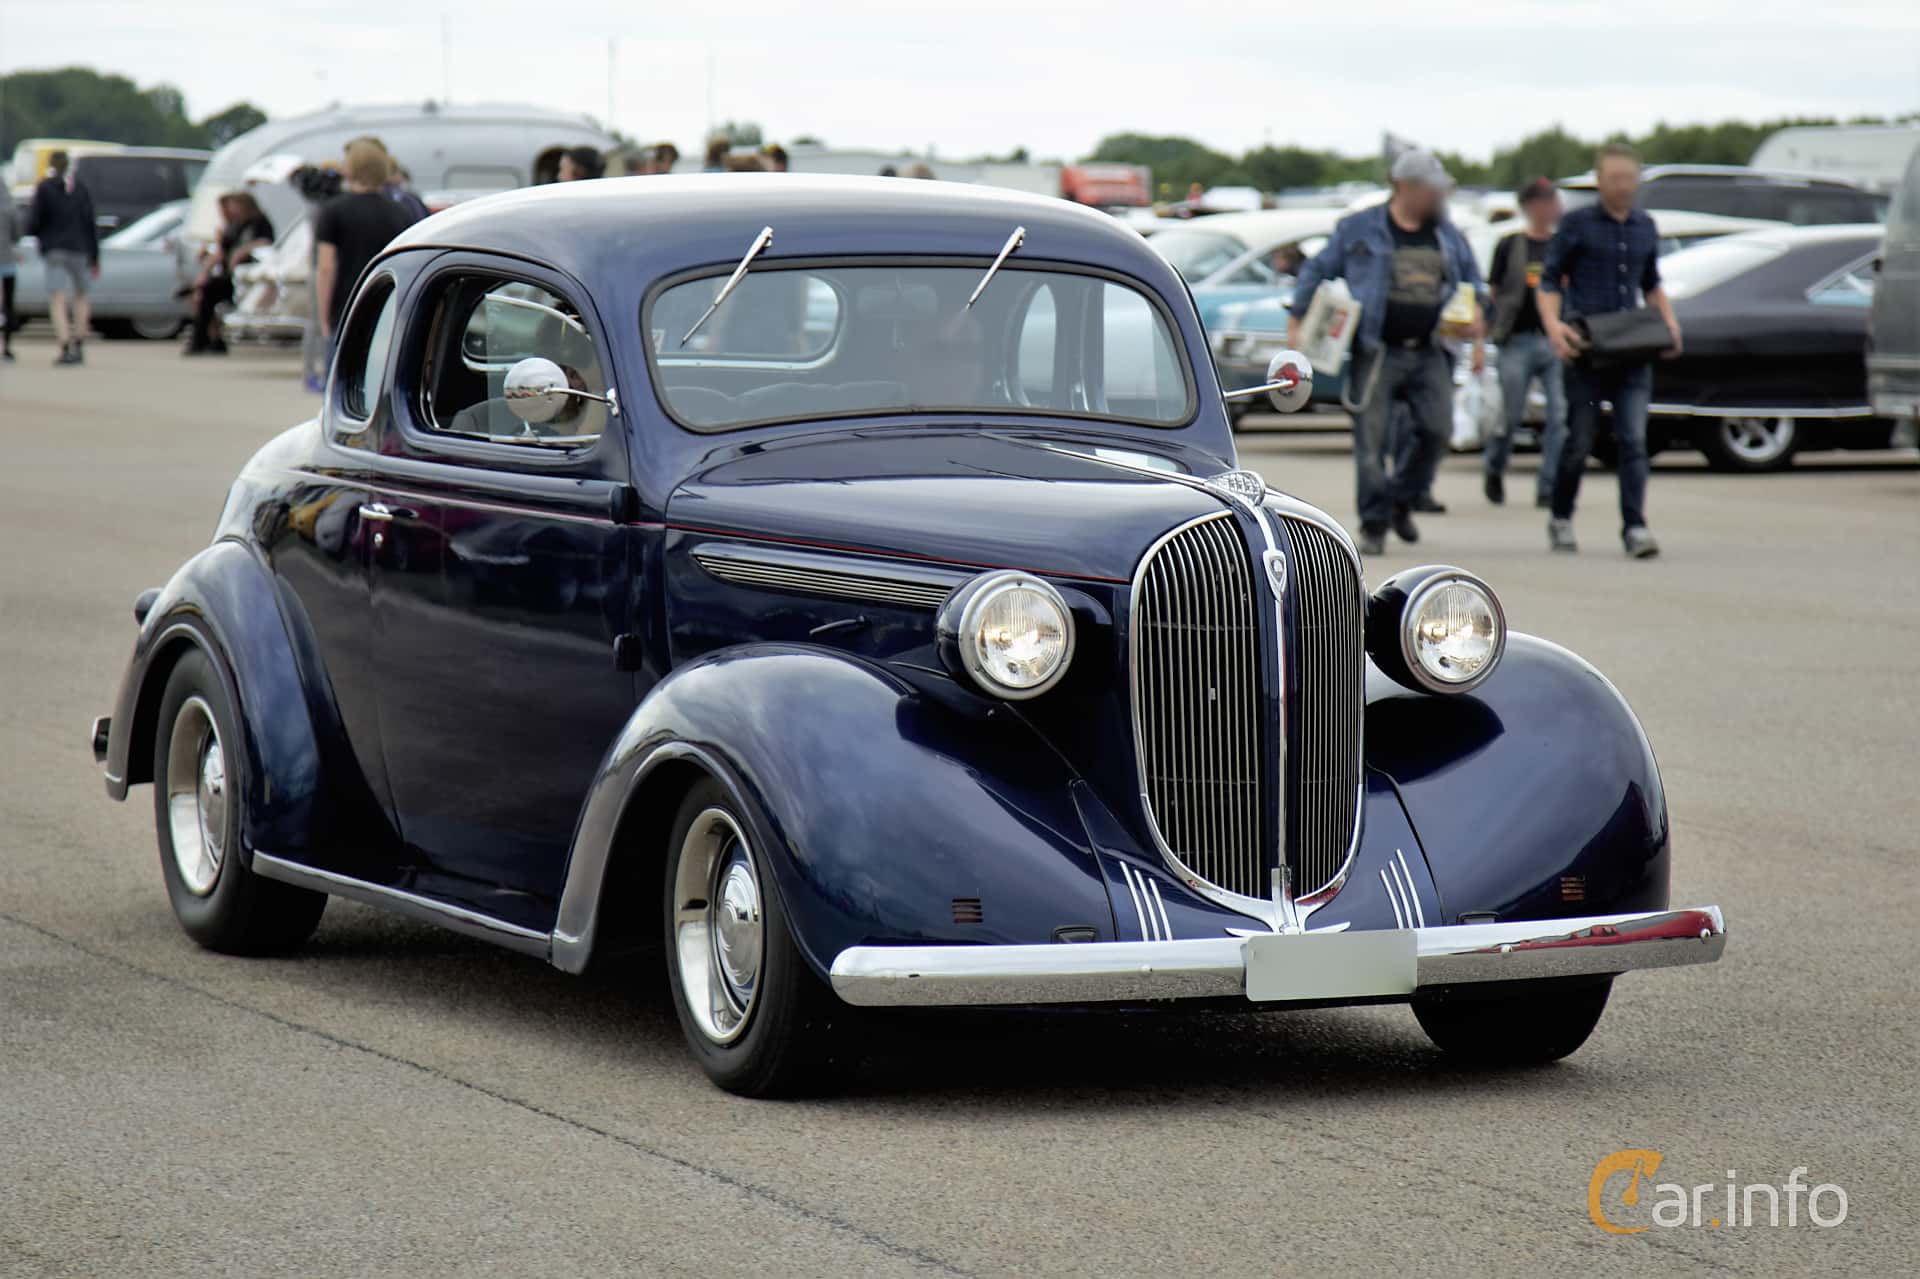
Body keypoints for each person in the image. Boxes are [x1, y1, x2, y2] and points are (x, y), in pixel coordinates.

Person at [1287, 149, 1486, 555]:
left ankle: (1401, 497)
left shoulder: (1447, 235)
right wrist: (1297, 320)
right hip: (1377, 352)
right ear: (1405, 187)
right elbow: (1316, 269)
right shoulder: (1360, 229)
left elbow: (1473, 284)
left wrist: (1477, 323)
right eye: (1433, 189)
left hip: (1431, 350)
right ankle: (1374, 524)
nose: (1439, 197)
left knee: (1438, 431)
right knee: (1371, 443)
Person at [1538, 143, 1681, 558]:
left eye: (1629, 178)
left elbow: (1651, 282)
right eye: (1614, 178)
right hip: (1587, 348)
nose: (1622, 186)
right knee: (1579, 441)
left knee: (1634, 439)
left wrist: (1669, 323)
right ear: (1599, 181)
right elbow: (1549, 280)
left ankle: (1635, 527)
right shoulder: (1577, 224)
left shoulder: (1645, 226)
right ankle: (1561, 517)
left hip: (1632, 348)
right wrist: (1554, 327)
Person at [1483, 177, 1568, 506]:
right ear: (1532, 206)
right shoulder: (1510, 245)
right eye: (1547, 202)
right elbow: (1493, 292)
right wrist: (1484, 334)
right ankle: (1494, 466)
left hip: (1552, 342)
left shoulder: (1561, 245)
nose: (1553, 208)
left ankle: (1548, 485)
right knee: (1510, 415)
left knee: (1559, 416)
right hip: (1516, 342)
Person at [313, 139, 422, 357]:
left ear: (349, 170)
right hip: (386, 308)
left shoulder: (333, 210)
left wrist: (324, 319)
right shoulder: (401, 212)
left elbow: (326, 268)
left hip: (345, 309)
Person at [27, 150, 100, 367]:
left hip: (55, 248)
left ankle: (64, 342)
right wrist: (95, 256)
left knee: (57, 298)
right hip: (80, 248)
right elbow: (90, 222)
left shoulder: (45, 187)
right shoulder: (80, 187)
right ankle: (79, 340)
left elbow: (34, 221)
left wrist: (41, 237)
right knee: (81, 295)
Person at [186, 192, 274, 355]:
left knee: (205, 292)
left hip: (243, 276)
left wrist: (242, 251)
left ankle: (204, 339)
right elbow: (221, 251)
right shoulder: (234, 225)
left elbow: (266, 242)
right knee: (201, 293)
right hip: (230, 274)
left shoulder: (258, 223)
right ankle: (210, 338)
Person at [0, 195, 19, 361]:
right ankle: (7, 346)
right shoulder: (9, 207)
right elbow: (16, 234)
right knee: (8, 305)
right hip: (7, 262)